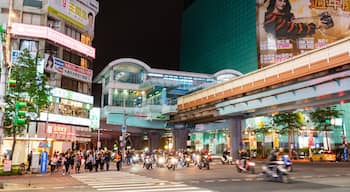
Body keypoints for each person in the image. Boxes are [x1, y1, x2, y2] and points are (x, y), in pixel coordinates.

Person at [263, 0, 330, 38]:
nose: (283, 3)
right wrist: (314, 26)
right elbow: (290, 28)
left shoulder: (286, 15)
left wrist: (316, 23)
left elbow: (296, 26)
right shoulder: (270, 18)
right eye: (280, 0)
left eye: (284, 1)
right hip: (283, 51)